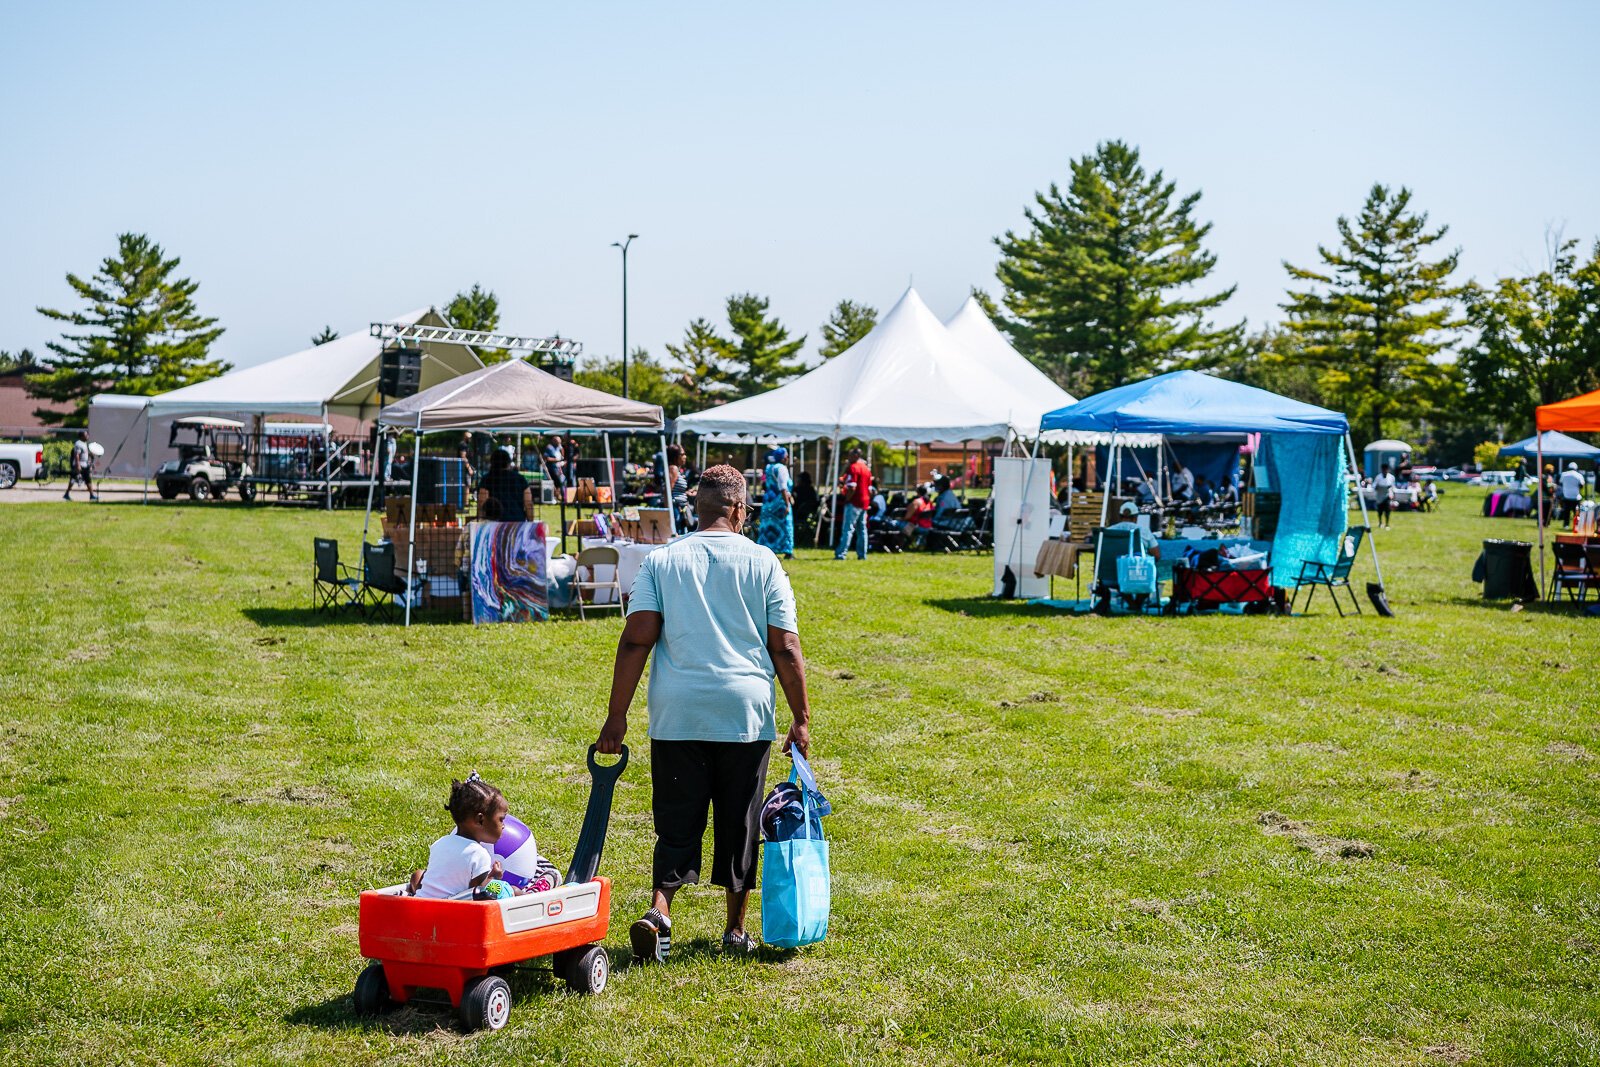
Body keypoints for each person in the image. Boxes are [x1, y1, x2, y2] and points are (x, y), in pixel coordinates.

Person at [597, 465, 811, 960]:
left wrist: (617, 716)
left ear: (698, 509)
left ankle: (661, 911)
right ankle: (735, 929)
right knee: (740, 819)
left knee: (676, 816)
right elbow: (785, 646)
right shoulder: (764, 562)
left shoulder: (662, 560)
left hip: (678, 713)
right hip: (745, 713)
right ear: (739, 509)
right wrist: (801, 717)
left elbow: (636, 640)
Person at [407, 774, 552, 900]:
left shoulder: (440, 843)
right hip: (452, 909)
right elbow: (479, 893)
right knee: (510, 890)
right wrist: (494, 876)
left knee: (418, 874)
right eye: (501, 819)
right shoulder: (477, 853)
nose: (504, 826)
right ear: (481, 820)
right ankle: (531, 897)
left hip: (426, 904)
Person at [757, 447, 795, 558]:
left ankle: (768, 549)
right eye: (787, 456)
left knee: (768, 526)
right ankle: (787, 551)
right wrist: (787, 504)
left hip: (768, 502)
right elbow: (783, 487)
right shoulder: (782, 468)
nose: (788, 458)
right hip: (780, 503)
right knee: (785, 526)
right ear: (783, 457)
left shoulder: (769, 467)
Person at [835, 448, 873, 560]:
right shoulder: (866, 469)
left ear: (856, 456)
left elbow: (852, 487)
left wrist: (847, 499)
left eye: (850, 455)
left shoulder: (853, 467)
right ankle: (862, 554)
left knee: (848, 528)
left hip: (854, 502)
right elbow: (870, 489)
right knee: (862, 529)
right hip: (864, 502)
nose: (848, 457)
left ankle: (841, 554)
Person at [477, 449, 532, 521]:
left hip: (494, 524)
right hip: (517, 522)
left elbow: (482, 503)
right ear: (508, 463)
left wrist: (480, 521)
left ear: (492, 463)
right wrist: (531, 521)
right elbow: (528, 503)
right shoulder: (520, 479)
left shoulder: (487, 479)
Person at [666, 443, 694, 532]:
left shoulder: (676, 470)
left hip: (680, 509)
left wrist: (686, 493)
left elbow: (675, 490)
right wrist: (668, 512)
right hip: (675, 509)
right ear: (675, 457)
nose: (685, 457)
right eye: (682, 454)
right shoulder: (673, 469)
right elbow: (667, 491)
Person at [65, 437, 97, 501]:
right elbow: (77, 455)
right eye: (86, 435)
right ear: (82, 436)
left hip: (84, 465)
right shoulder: (78, 444)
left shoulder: (84, 444)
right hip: (80, 465)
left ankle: (92, 495)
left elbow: (84, 453)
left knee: (87, 480)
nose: (88, 436)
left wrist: (90, 455)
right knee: (73, 479)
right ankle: (67, 494)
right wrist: (78, 465)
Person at [1373, 463, 1396, 529]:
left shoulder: (1391, 477)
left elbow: (1393, 487)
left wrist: (1393, 494)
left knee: (1387, 510)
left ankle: (1387, 524)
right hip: (1380, 495)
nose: (1385, 471)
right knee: (1380, 510)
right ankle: (1380, 522)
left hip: (1387, 495)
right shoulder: (1378, 477)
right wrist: (1377, 487)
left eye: (1386, 469)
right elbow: (1374, 486)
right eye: (1384, 470)